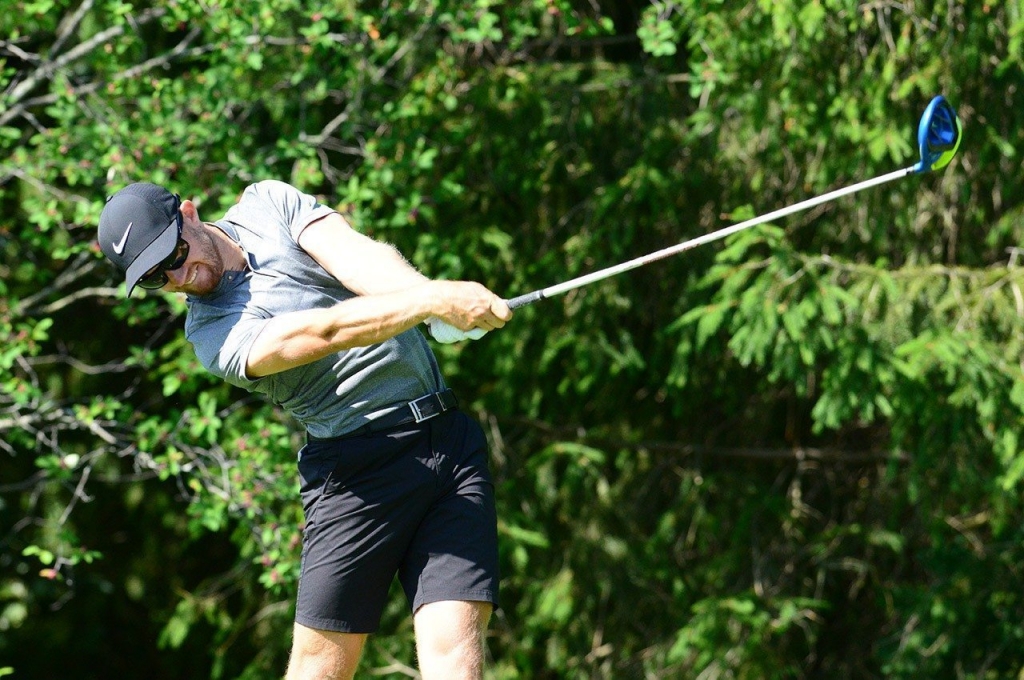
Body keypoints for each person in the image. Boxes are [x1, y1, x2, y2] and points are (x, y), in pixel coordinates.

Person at [97, 180, 512, 680]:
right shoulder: (213, 335)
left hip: (448, 443)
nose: (180, 275)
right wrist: (427, 303)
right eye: (157, 277)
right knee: (321, 669)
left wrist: (424, 297)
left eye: (177, 253)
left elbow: (358, 258)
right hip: (357, 476)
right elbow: (325, 332)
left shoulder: (267, 204)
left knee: (457, 657)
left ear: (189, 212)